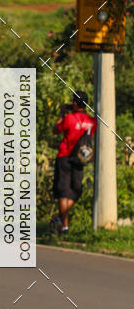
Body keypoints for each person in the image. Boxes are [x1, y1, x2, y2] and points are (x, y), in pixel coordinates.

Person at [52, 90, 97, 233]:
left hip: (64, 156)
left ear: (74, 103)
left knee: (63, 192)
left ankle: (62, 222)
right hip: (80, 158)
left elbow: (55, 130)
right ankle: (63, 225)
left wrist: (61, 114)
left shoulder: (69, 119)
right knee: (76, 190)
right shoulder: (92, 121)